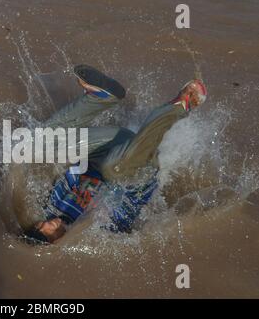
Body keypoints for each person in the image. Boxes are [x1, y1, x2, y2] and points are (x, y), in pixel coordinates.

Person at [24, 65, 207, 244]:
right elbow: (123, 197)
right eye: (47, 233)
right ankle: (179, 107)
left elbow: (73, 169)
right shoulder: (97, 235)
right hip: (137, 170)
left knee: (40, 143)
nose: (48, 224)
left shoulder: (54, 206)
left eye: (40, 225)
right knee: (112, 169)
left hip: (110, 148)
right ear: (55, 244)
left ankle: (102, 96)